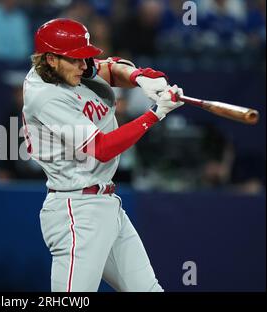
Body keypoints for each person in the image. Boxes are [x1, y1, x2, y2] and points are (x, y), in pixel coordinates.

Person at [22, 18, 184, 292]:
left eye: (84, 58)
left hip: (106, 204)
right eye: (76, 60)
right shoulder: (45, 96)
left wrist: (139, 77)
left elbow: (107, 69)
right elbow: (102, 148)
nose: (84, 66)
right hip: (76, 208)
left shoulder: (66, 69)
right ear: (50, 59)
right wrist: (155, 114)